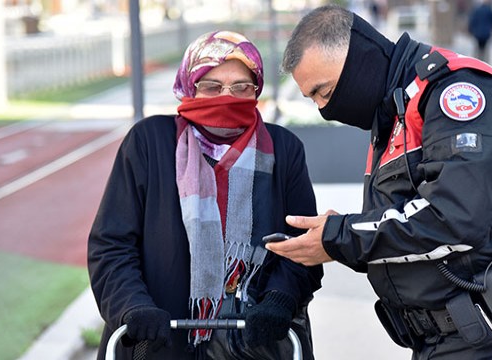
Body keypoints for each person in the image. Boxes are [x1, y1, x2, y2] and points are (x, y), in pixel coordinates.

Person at [269, 5, 492, 360]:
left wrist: (342, 235)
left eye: (324, 92)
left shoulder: (455, 91)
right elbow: (409, 227)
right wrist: (340, 239)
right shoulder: (394, 111)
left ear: (356, 59)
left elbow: (455, 217)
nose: (325, 109)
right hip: (453, 340)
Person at [88, 30, 323, 359]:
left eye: (241, 87)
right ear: (189, 86)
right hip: (159, 343)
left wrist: (279, 299)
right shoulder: (148, 142)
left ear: (256, 89)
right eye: (211, 87)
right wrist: (133, 307)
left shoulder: (284, 149)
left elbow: (304, 244)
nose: (227, 96)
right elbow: (111, 245)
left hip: (258, 344)